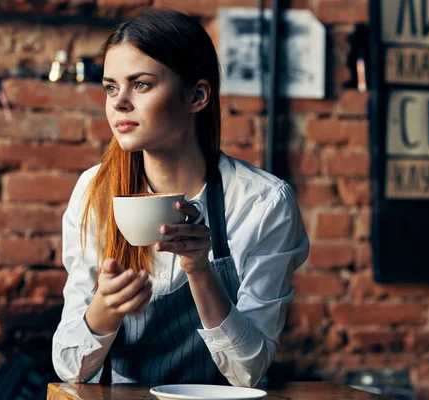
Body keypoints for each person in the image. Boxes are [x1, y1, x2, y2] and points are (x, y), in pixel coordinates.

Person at [52, 8, 309, 387]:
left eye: (140, 85)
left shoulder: (263, 203)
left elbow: (249, 371)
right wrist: (104, 309)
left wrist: (199, 271)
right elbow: (69, 368)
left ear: (197, 96)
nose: (119, 103)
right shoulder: (95, 191)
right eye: (110, 87)